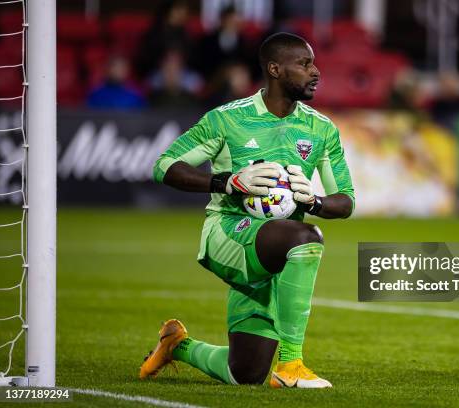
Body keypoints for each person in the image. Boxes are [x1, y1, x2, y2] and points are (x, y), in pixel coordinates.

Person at [140, 32, 355, 388]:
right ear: (274, 69)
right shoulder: (227, 120)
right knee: (307, 237)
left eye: (314, 63)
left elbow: (345, 200)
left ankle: (177, 345)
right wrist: (226, 182)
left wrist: (313, 201)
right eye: (304, 64)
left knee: (246, 374)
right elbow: (165, 165)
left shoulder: (320, 128)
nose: (315, 71)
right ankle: (291, 365)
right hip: (228, 232)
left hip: (274, 252)